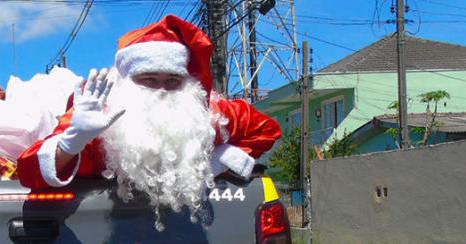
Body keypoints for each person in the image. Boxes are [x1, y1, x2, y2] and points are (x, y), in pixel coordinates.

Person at [17, 15, 281, 217]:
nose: (162, 90)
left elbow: (267, 130)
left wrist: (219, 159)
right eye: (149, 80)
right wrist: (71, 143)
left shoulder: (207, 117)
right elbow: (29, 172)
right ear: (127, 81)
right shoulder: (100, 119)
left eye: (173, 80)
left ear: (187, 82)